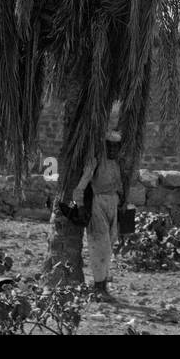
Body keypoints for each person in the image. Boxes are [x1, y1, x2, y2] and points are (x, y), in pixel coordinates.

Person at [72, 126, 123, 301]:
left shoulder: (116, 164)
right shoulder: (95, 162)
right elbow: (81, 186)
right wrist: (79, 206)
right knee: (99, 245)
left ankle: (103, 285)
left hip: (113, 204)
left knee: (110, 245)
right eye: (109, 146)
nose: (112, 150)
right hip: (98, 204)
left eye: (116, 147)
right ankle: (98, 287)